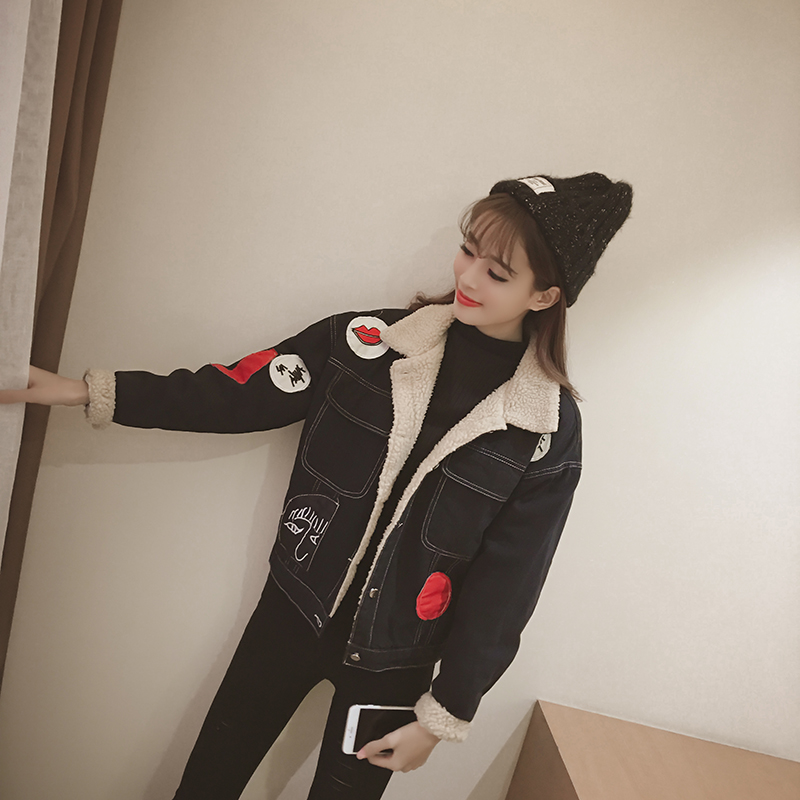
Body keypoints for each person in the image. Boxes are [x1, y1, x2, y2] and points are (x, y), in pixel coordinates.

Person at [1, 172, 632, 799]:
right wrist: (84, 391)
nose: (467, 278)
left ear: (545, 296)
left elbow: (509, 584)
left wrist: (444, 715)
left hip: (396, 665)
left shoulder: (545, 430)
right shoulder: (363, 345)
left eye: (497, 273)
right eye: (468, 249)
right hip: (289, 616)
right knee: (207, 784)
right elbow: (235, 393)